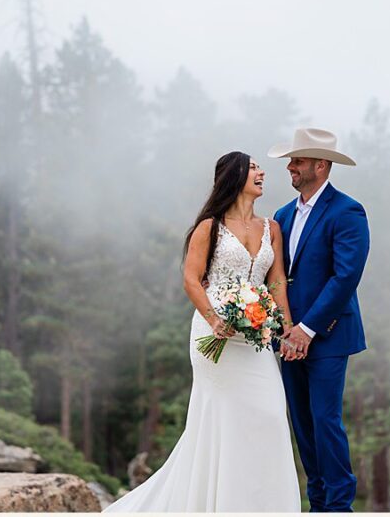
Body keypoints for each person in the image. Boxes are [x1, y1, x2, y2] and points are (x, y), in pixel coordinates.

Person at [104, 150, 301, 512]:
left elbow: (276, 285)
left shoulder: (271, 228)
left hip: (256, 341)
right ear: (234, 176)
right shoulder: (209, 226)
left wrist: (285, 327)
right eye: (254, 168)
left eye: (260, 168)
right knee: (224, 423)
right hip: (216, 338)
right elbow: (191, 280)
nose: (262, 173)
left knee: (271, 415)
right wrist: (214, 318)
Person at [270, 127, 370, 512]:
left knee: (325, 421)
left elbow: (345, 276)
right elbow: (277, 277)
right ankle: (318, 503)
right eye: (291, 161)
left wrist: (307, 329)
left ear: (321, 165)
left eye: (297, 161)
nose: (290, 168)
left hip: (328, 336)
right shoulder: (282, 215)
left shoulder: (348, 211)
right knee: (302, 426)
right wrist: (284, 328)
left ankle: (340, 506)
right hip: (287, 337)